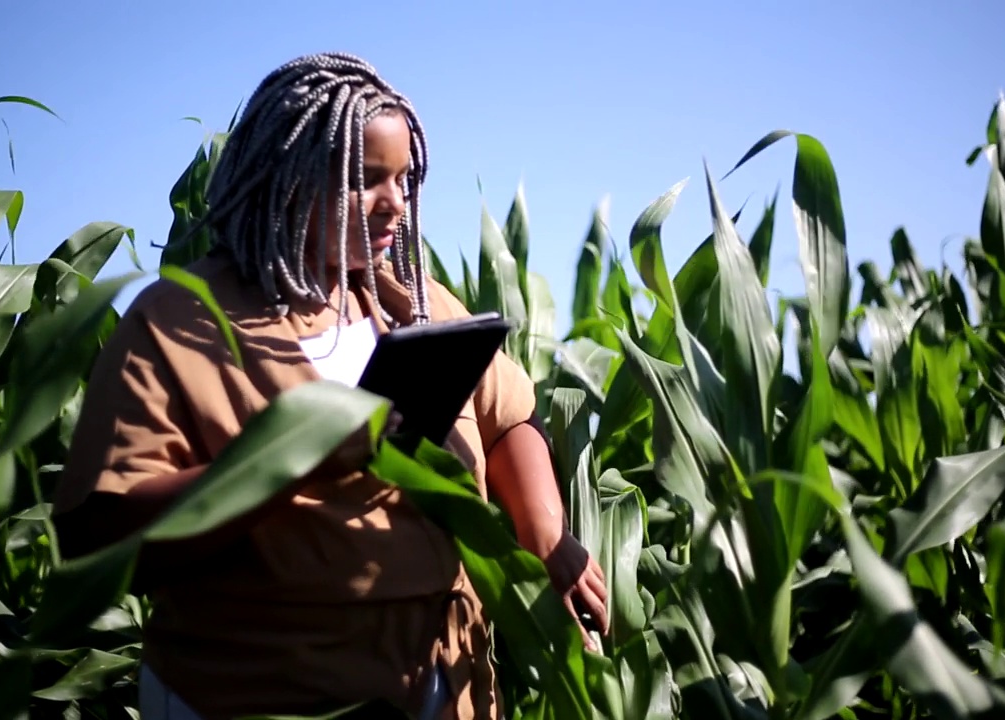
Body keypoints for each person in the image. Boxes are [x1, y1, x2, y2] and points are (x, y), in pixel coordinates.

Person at [50, 52, 609, 720]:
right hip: (253, 695)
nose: (395, 205)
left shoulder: (416, 307)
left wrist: (546, 534)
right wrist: (290, 456)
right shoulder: (179, 326)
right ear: (287, 178)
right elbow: (105, 540)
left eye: (405, 180)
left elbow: (508, 417)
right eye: (366, 180)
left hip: (445, 689)